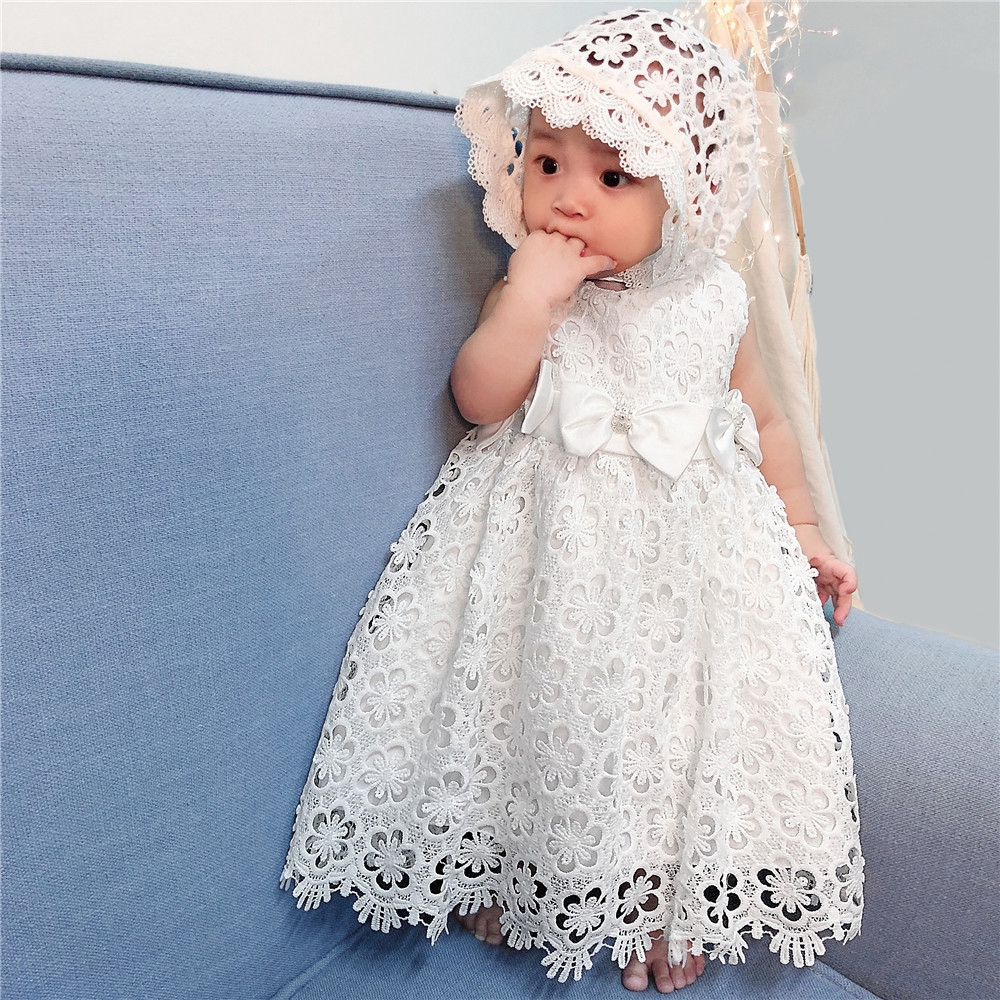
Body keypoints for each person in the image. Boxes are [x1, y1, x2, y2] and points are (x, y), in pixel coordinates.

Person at [282, 8, 864, 994]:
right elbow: (479, 398)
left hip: (681, 574)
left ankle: (661, 902)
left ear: (684, 191)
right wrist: (527, 301)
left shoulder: (715, 298)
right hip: (546, 558)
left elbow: (764, 421)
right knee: (529, 714)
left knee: (668, 734)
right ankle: (516, 869)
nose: (567, 197)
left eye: (613, 175)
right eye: (547, 162)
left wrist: (804, 529)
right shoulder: (535, 287)